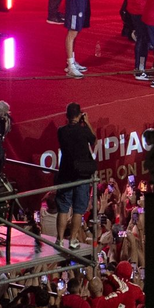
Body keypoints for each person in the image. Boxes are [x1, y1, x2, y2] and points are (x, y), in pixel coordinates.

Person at [55, 102, 97, 248]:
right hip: (81, 175)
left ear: (66, 116)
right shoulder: (83, 130)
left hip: (66, 174)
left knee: (63, 208)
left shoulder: (61, 131)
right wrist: (87, 122)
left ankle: (59, 240)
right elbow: (93, 140)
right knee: (78, 209)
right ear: (79, 115)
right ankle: (73, 240)